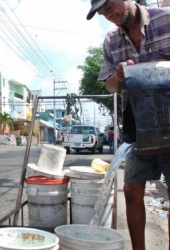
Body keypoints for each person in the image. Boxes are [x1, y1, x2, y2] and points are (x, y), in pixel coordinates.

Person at [87, 1, 170, 249]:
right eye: (103, 13)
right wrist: (118, 76)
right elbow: (109, 86)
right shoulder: (111, 40)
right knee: (132, 192)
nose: (108, 15)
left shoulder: (165, 20)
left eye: (109, 7)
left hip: (169, 124)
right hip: (137, 129)